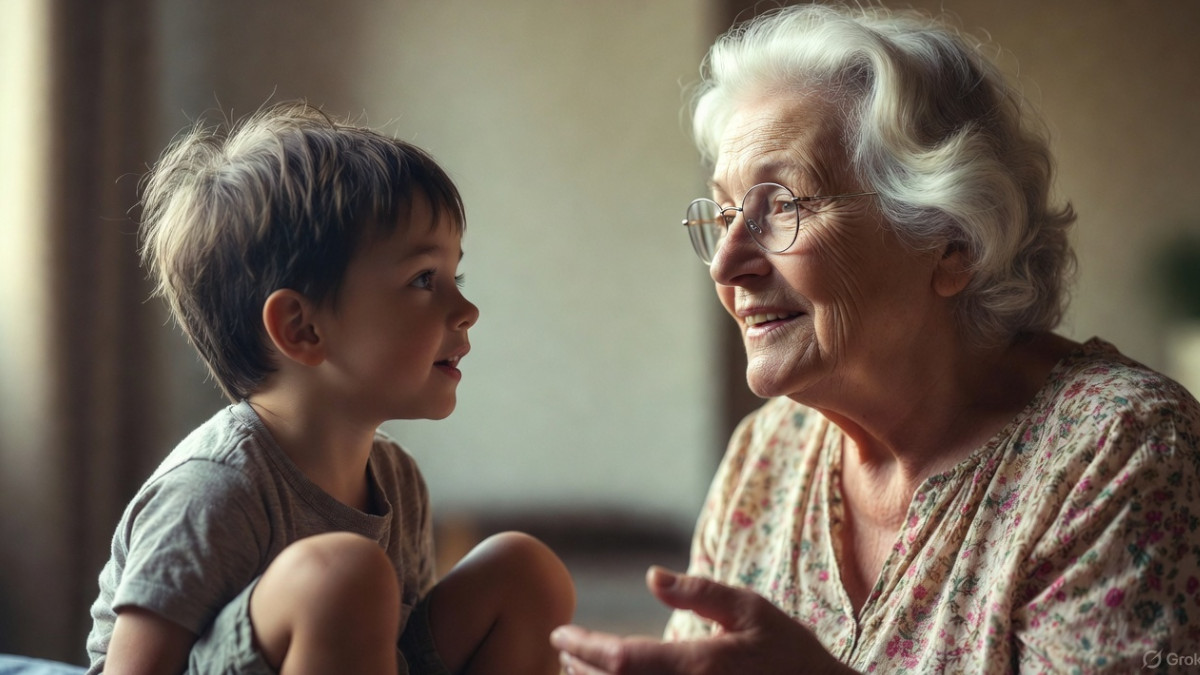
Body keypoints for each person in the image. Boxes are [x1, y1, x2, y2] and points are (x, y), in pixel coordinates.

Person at [552, 4, 1200, 673]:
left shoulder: (1120, 452)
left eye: (781, 205)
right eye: (724, 213)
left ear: (951, 241)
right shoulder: (768, 455)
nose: (727, 263)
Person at [86, 101, 575, 675]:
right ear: (302, 328)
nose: (466, 309)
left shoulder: (397, 480)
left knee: (522, 569)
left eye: (454, 277)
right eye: (424, 279)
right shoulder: (212, 490)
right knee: (341, 574)